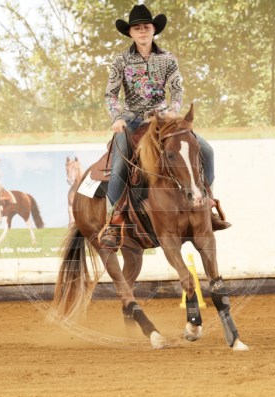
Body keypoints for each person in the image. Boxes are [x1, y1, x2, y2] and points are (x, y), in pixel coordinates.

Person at [99, 4, 230, 249]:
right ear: (130, 33)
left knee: (206, 151)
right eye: (137, 28)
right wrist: (116, 117)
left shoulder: (167, 59)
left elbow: (177, 88)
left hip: (163, 121)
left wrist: (173, 109)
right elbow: (111, 94)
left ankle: (207, 204)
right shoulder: (121, 61)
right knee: (119, 164)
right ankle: (113, 222)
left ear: (153, 30)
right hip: (132, 121)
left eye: (146, 27)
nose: (142, 31)